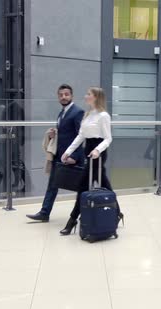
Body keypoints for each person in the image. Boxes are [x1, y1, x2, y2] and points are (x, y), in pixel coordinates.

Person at [60, 87, 123, 235]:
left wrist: (97, 150)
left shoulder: (103, 116)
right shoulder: (88, 115)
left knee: (82, 186)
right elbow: (80, 136)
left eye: (89, 94)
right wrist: (68, 151)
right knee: (105, 186)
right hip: (88, 150)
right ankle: (117, 213)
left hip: (98, 153)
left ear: (96, 97)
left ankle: (72, 220)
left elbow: (108, 138)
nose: (86, 96)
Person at [26, 84, 84, 222]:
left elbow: (81, 136)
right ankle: (44, 213)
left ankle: (85, 213)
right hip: (60, 156)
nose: (63, 97)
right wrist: (53, 135)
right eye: (61, 95)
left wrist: (74, 157)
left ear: (72, 96)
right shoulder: (61, 113)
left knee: (81, 188)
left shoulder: (77, 112)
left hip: (72, 157)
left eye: (66, 94)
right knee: (52, 184)